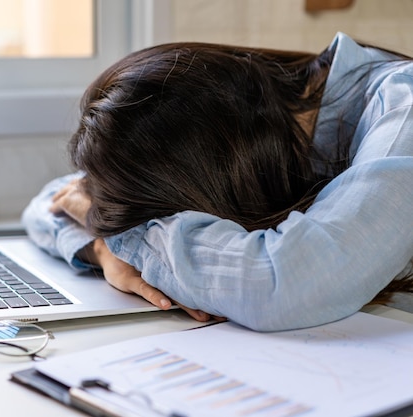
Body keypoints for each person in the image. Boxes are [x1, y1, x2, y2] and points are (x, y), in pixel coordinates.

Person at [22, 32, 413, 331]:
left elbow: (288, 282)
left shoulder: (403, 115)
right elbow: (53, 200)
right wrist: (103, 248)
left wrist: (128, 237)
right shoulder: (264, 126)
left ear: (216, 170)